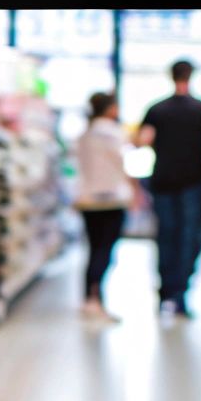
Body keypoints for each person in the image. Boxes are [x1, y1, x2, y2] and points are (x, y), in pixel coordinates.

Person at [137, 60, 201, 320]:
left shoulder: (156, 110)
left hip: (163, 181)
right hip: (193, 183)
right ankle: (180, 294)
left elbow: (142, 140)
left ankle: (164, 293)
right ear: (191, 76)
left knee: (165, 236)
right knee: (189, 238)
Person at [76, 92, 136, 322]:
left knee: (93, 249)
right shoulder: (112, 133)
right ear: (110, 108)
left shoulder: (85, 134)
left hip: (88, 199)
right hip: (110, 200)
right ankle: (95, 300)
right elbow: (122, 163)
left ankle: (89, 298)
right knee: (105, 251)